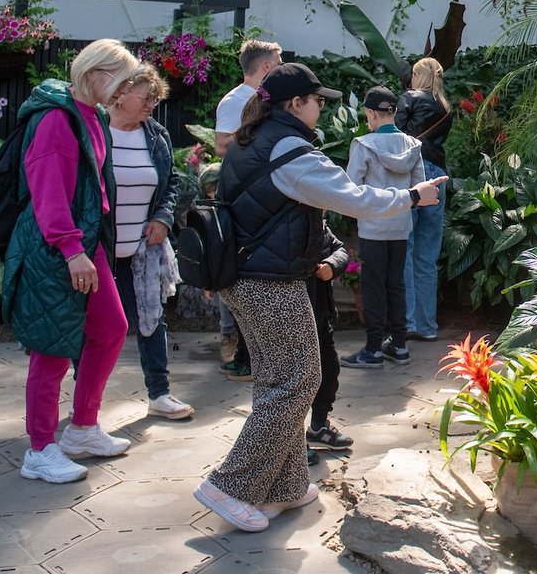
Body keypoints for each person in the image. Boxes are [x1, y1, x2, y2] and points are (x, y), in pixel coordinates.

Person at [193, 62, 446, 532]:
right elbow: (355, 197)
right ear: (295, 104)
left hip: (246, 278)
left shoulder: (253, 140)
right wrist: (413, 196)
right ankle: (229, 486)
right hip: (269, 282)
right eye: (317, 101)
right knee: (297, 380)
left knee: (279, 379)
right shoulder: (289, 149)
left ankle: (284, 487)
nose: (321, 109)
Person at [3, 39, 140, 484]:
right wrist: (70, 250)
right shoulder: (56, 119)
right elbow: (47, 191)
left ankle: (81, 429)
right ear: (97, 74)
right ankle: (40, 450)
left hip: (83, 243)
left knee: (110, 329)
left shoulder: (92, 115)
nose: (122, 94)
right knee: (52, 346)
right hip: (56, 247)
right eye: (119, 83)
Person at [107, 65, 192, 420]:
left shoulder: (156, 135)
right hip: (99, 250)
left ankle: (159, 393)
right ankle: (87, 397)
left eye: (156, 99)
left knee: (152, 320)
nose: (151, 106)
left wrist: (163, 218)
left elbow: (170, 183)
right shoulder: (93, 130)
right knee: (95, 325)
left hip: (142, 251)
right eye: (146, 98)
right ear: (120, 94)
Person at [213, 39, 283, 377]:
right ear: (266, 66)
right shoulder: (236, 100)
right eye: (279, 60)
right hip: (244, 196)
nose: (281, 64)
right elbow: (221, 144)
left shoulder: (270, 99)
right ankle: (238, 349)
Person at [342, 86, 424, 369]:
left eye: (368, 115)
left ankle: (374, 349)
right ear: (395, 113)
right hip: (401, 225)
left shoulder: (363, 145)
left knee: (373, 286)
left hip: (373, 227)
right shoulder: (413, 146)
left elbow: (350, 187)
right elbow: (420, 189)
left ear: (373, 114)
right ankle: (399, 345)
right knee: (397, 283)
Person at [395, 57, 453, 342]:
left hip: (414, 173)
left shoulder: (409, 98)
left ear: (418, 75)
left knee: (406, 247)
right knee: (427, 255)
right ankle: (427, 326)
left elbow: (396, 133)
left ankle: (407, 323)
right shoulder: (445, 106)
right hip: (438, 175)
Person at [305, 221, 354, 457]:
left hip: (320, 314)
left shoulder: (318, 223)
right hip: (292, 317)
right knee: (296, 382)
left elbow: (340, 249)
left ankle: (319, 426)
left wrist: (331, 265)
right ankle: (290, 443)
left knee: (328, 370)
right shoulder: (287, 219)